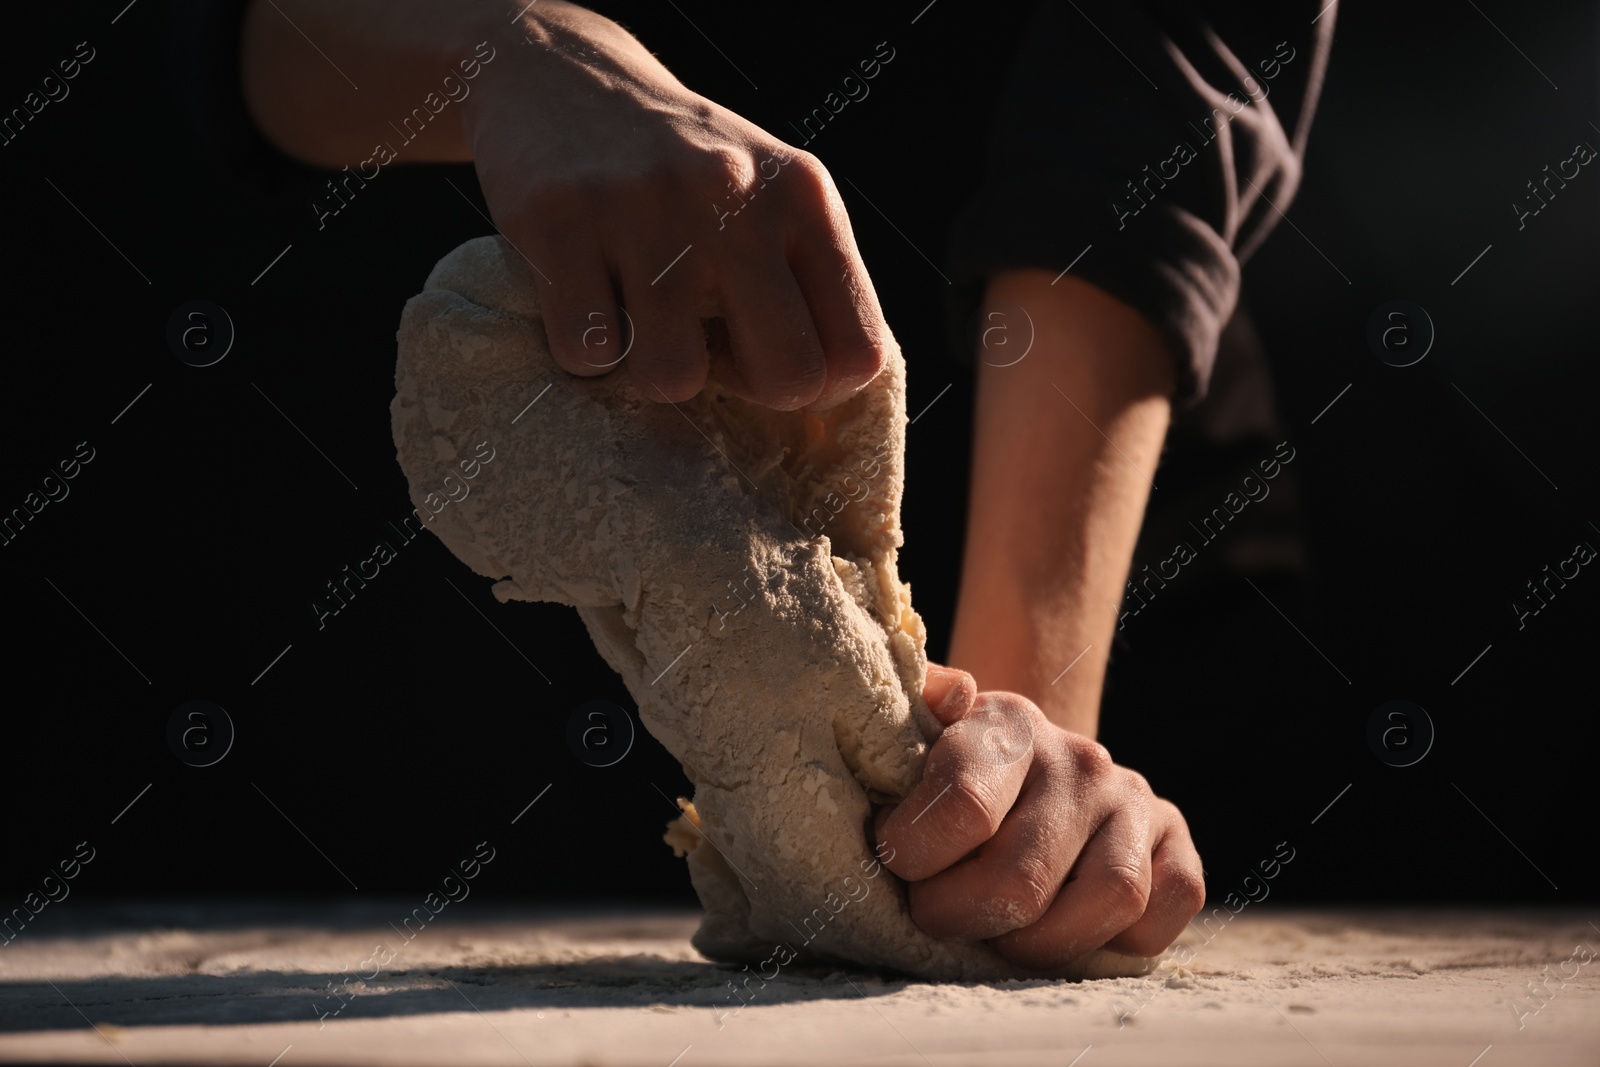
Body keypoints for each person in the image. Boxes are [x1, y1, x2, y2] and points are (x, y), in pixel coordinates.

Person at [185, 0, 1332, 970]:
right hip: (456, 636)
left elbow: (1146, 99)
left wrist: (1003, 766)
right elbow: (224, 36)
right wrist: (522, 48)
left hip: (1085, 519)